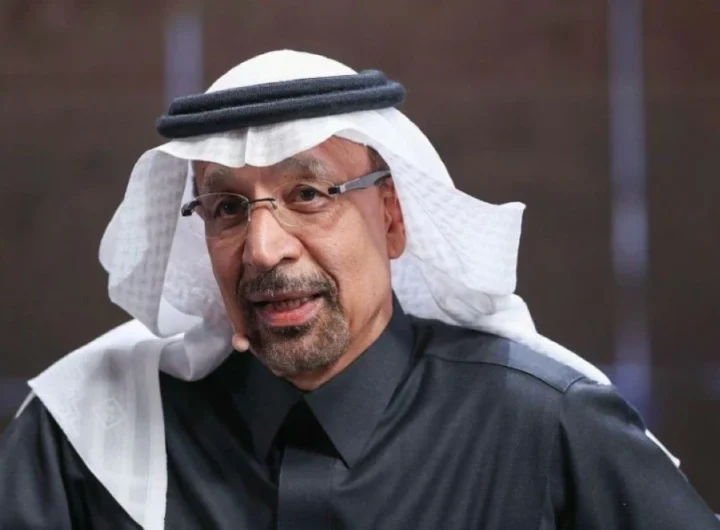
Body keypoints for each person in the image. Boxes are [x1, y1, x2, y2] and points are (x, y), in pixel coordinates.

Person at [0, 50, 718, 530]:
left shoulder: (546, 426)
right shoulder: (86, 436)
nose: (264, 248)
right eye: (227, 207)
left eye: (309, 194)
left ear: (393, 219)